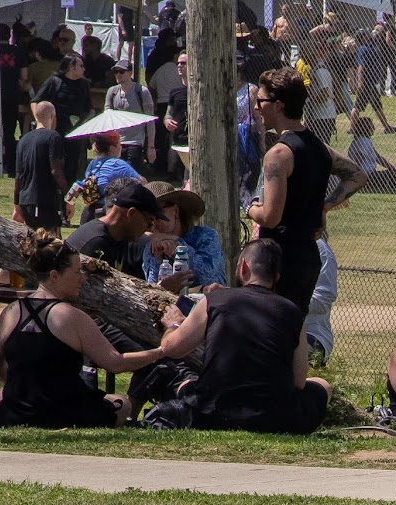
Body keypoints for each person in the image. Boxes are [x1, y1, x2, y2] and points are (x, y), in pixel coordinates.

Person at [0, 235, 164, 428]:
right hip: (65, 413)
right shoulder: (71, 316)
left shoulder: (12, 311)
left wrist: (16, 386)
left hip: (15, 415)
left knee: (0, 395)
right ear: (54, 276)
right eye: (77, 271)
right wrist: (161, 352)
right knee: (123, 404)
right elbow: (115, 363)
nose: (83, 278)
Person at [161, 238, 329, 435]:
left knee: (186, 384)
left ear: (243, 267)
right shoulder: (292, 312)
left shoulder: (214, 300)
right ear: (277, 276)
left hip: (213, 413)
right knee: (323, 385)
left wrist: (173, 324)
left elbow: (171, 349)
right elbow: (299, 382)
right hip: (277, 417)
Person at [248, 64, 355, 310]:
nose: (256, 107)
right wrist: (324, 208)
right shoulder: (319, 147)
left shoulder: (278, 154)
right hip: (307, 257)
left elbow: (270, 217)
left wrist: (250, 207)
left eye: (260, 101)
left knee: (272, 330)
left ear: (278, 105)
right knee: (295, 330)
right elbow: (356, 175)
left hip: (279, 261)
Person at [67, 181, 159, 278]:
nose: (150, 228)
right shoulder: (96, 243)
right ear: (131, 214)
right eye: (149, 222)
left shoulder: (118, 236)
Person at [140, 188, 224, 292]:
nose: (154, 224)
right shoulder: (151, 247)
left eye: (158, 214)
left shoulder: (206, 236)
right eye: (149, 218)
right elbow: (152, 289)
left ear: (175, 210)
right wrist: (157, 259)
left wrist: (180, 246)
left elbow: (206, 276)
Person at [12, 101, 69, 230]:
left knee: (31, 241)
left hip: (25, 200)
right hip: (45, 200)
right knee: (50, 243)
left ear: (36, 116)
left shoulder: (23, 140)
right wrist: (68, 198)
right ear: (52, 116)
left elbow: (18, 176)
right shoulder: (53, 137)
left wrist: (16, 204)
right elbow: (56, 171)